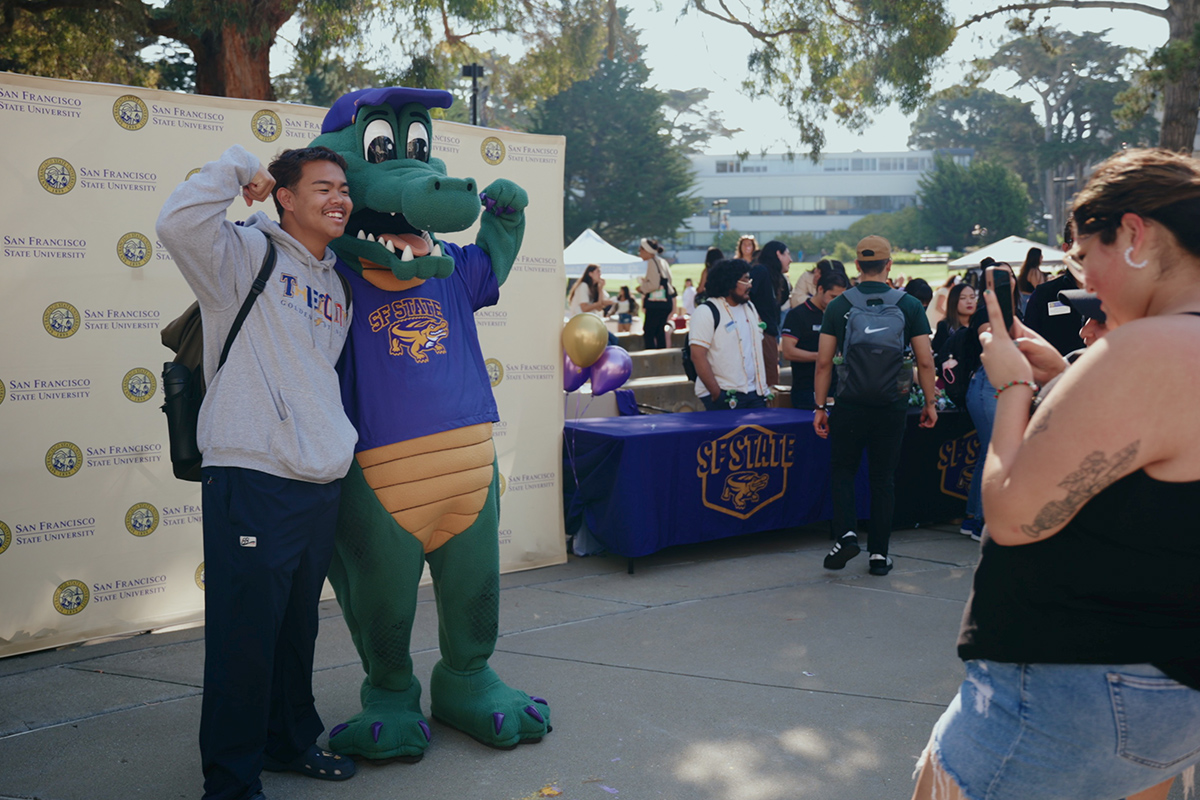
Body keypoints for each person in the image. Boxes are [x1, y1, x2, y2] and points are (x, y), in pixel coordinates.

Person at [911, 147, 1200, 800]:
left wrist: (1013, 387)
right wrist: (1068, 378)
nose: (1085, 283)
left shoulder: (1144, 349)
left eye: (1082, 255)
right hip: (1167, 684)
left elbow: (1015, 515)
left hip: (1073, 690)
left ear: (1132, 234)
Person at [157, 145, 359, 800]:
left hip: (317, 480)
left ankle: (289, 739)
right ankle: (232, 781)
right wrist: (238, 164)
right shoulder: (243, 256)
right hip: (252, 474)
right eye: (322, 187)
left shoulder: (337, 283)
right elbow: (178, 223)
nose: (339, 198)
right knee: (244, 639)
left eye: (344, 188)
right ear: (286, 197)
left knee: (295, 629)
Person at [814, 235, 937, 576]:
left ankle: (847, 534)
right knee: (883, 478)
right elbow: (925, 362)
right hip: (891, 404)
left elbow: (824, 363)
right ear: (888, 265)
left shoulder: (840, 306)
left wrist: (820, 406)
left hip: (850, 403)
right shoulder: (909, 305)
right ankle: (879, 555)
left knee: (843, 471)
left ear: (856, 265)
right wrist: (930, 402)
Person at [688, 258, 770, 410]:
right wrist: (717, 394)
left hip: (756, 394)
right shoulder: (706, 311)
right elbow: (697, 355)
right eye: (745, 281)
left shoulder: (750, 307)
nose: (750, 285)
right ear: (729, 283)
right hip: (725, 395)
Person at [781, 271, 849, 409]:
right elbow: (788, 352)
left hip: (836, 388)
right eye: (833, 297)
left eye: (840, 299)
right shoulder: (797, 315)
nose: (836, 303)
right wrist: (821, 356)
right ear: (820, 289)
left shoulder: (840, 315)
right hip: (806, 390)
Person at [1023, 225, 1085, 355]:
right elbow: (1030, 340)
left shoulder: (1115, 293)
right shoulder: (1044, 294)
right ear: (1066, 248)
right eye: (1079, 241)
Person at [749, 240, 792, 386]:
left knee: (771, 375)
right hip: (760, 333)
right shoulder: (760, 271)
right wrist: (756, 317)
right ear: (778, 254)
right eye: (788, 254)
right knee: (768, 378)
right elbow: (746, 294)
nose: (790, 260)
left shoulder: (779, 278)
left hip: (771, 333)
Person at [636, 237, 676, 349]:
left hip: (655, 304)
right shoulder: (662, 262)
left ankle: (651, 357)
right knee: (659, 333)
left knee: (649, 332)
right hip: (665, 302)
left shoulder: (651, 263)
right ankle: (661, 356)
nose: (639, 253)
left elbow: (654, 284)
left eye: (641, 250)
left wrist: (642, 288)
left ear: (647, 251)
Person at [931, 282, 978, 358]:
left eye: (972, 297)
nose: (969, 302)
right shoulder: (945, 327)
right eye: (963, 298)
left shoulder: (980, 324)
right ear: (954, 301)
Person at [1016, 246, 1045, 315]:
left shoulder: (1026, 270)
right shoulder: (1034, 271)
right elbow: (1039, 288)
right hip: (1030, 300)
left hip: (1023, 300)